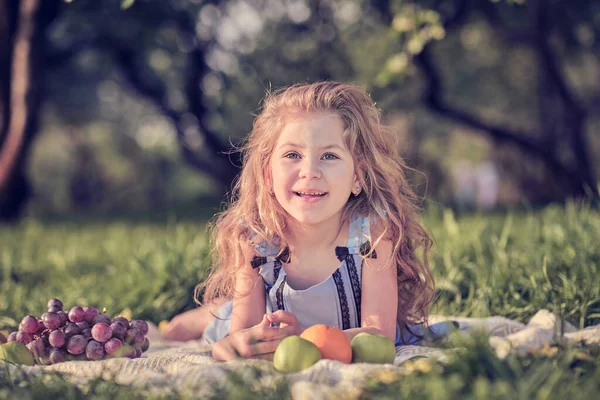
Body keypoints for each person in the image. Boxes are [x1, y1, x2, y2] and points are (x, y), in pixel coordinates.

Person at [163, 81, 444, 361]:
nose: (309, 171)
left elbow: (378, 335)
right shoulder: (256, 240)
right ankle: (199, 316)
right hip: (250, 315)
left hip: (304, 341)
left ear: (358, 176)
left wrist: (300, 341)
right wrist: (240, 343)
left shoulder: (373, 234)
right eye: (293, 155)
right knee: (181, 329)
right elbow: (239, 335)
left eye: (329, 156)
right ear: (268, 175)